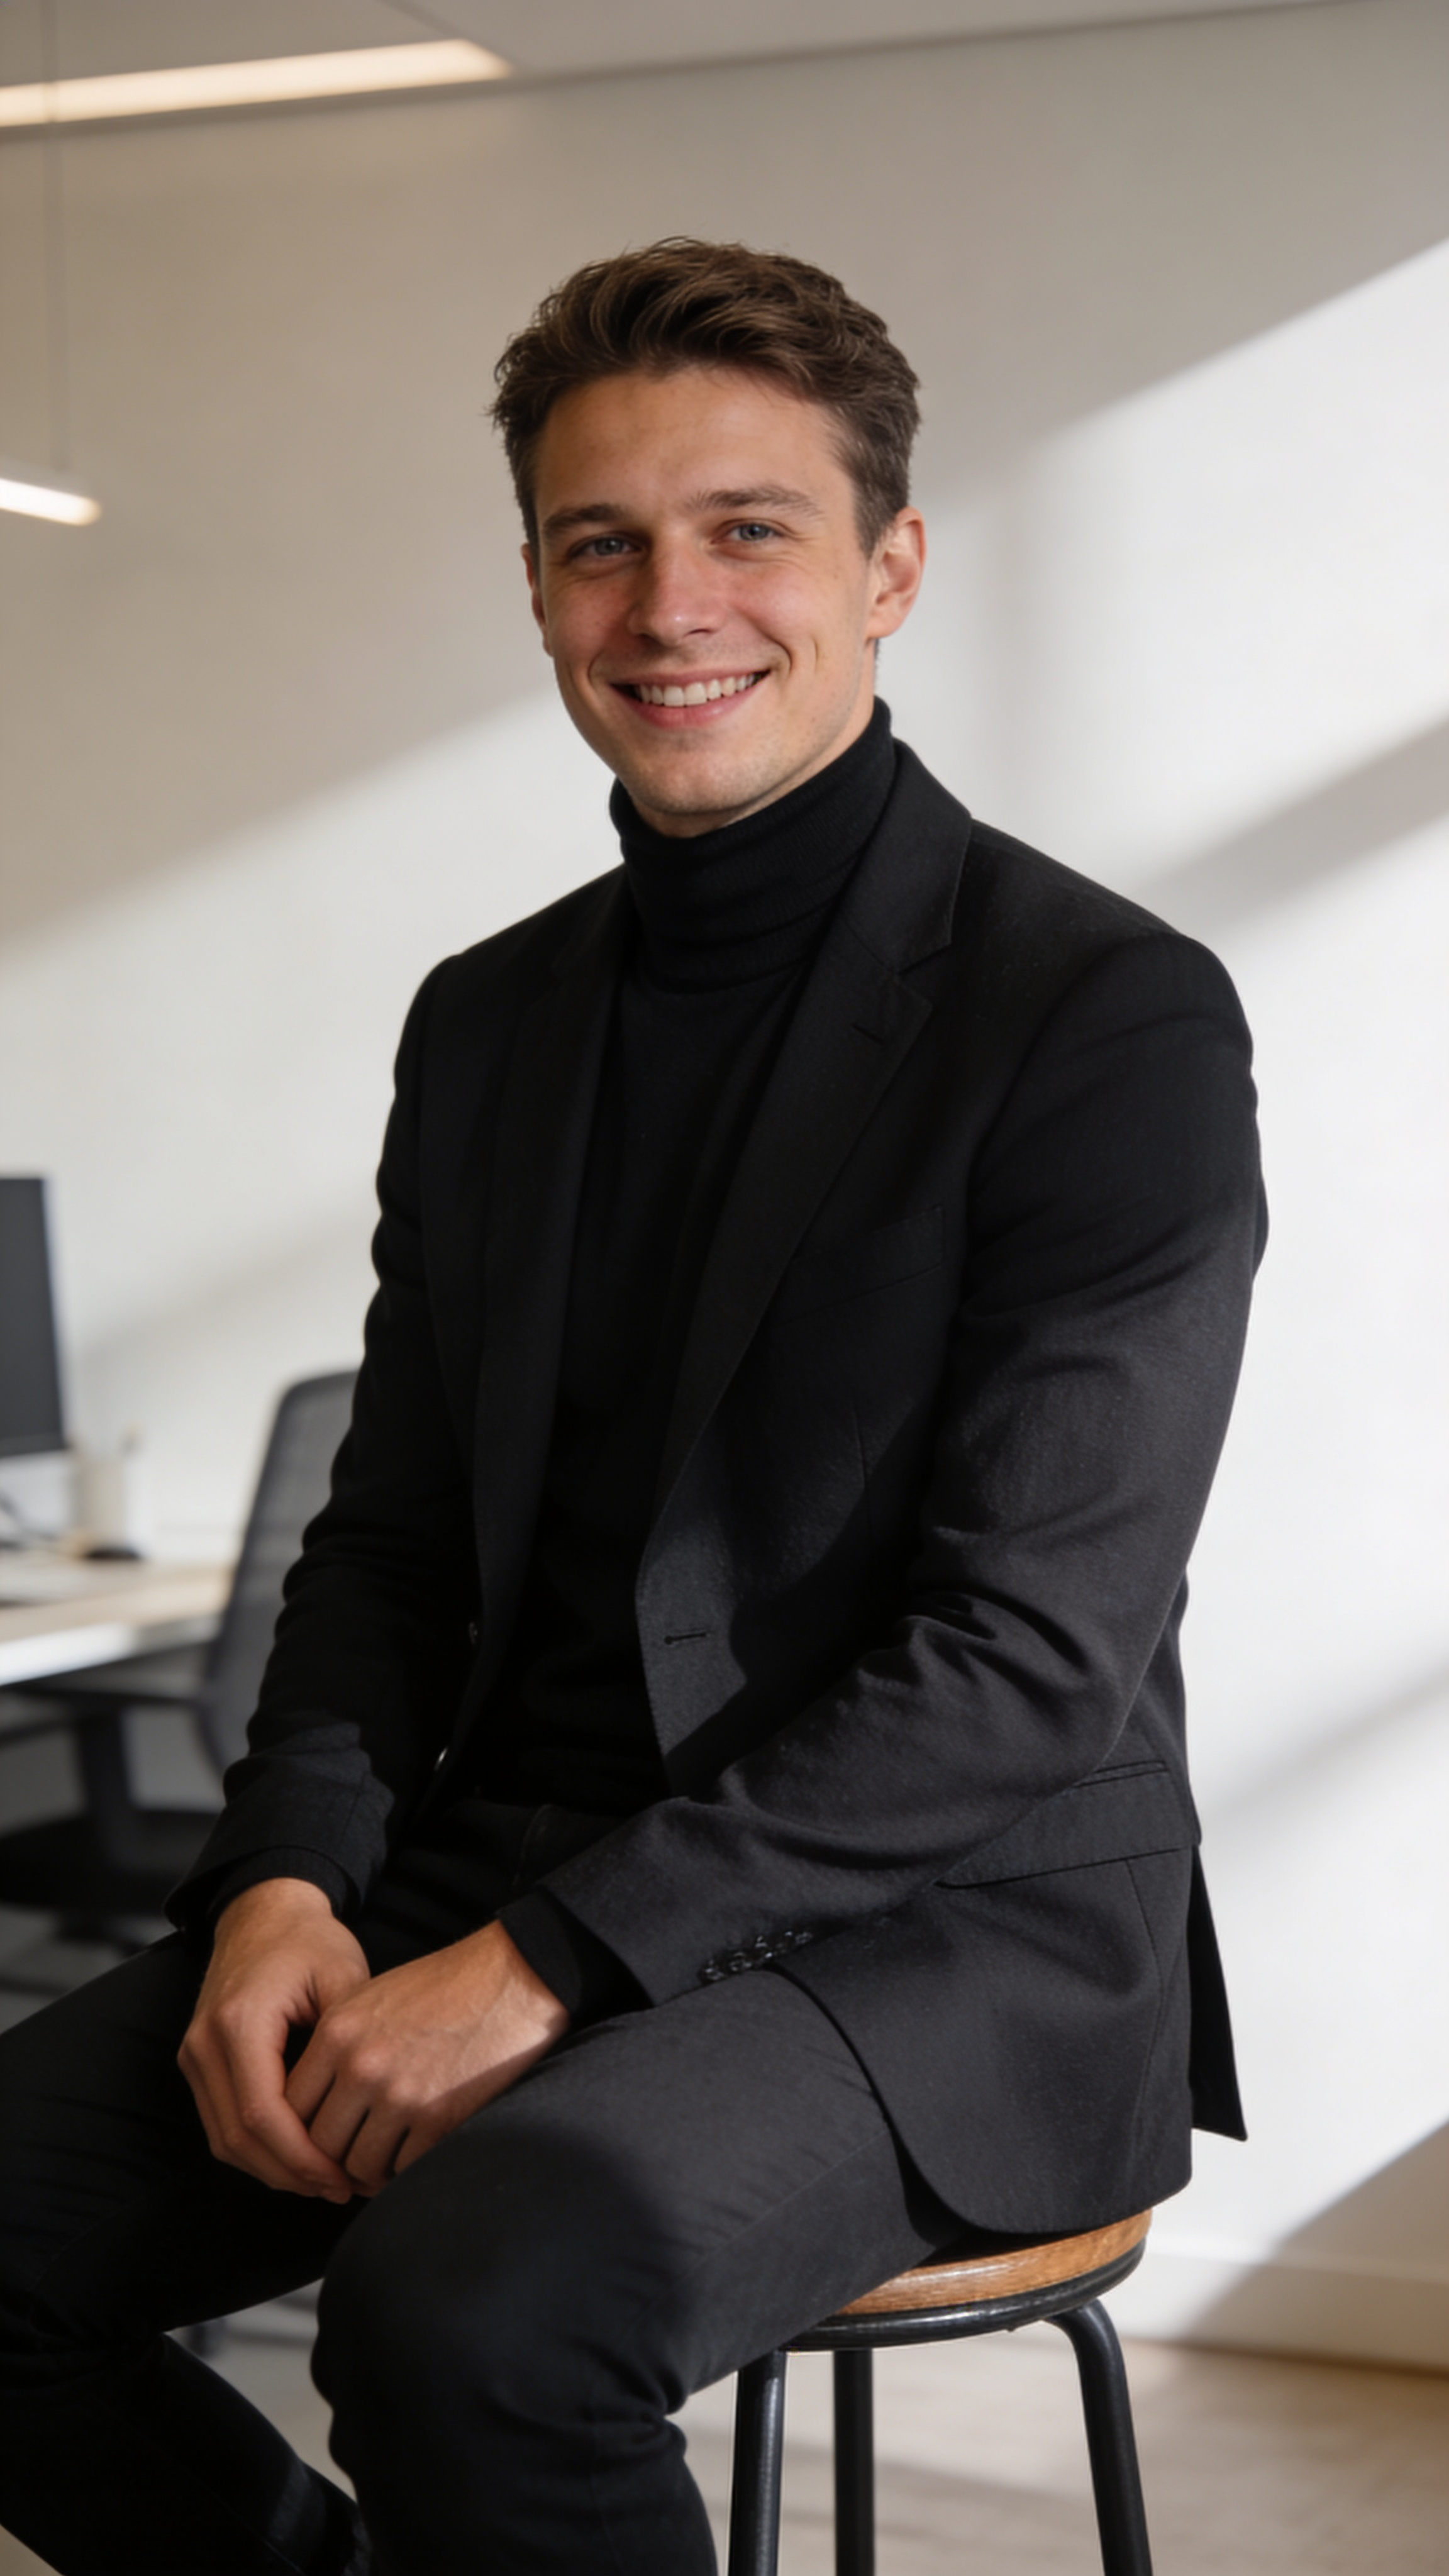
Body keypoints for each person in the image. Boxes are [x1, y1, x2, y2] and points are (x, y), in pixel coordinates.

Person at [0, 238, 1265, 2576]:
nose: (671, 605)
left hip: (941, 1933)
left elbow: (1022, 1659)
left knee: (469, 2315)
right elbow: (388, 1544)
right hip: (500, 1860)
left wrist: (543, 1967)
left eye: (747, 528)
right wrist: (281, 1882)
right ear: (538, 589)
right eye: (602, 543)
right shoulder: (487, 1025)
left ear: (888, 567)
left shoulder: (1104, 1016)